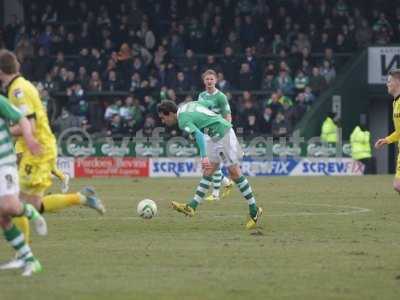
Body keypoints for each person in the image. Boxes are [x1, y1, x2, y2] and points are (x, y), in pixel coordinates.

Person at [0, 49, 105, 269]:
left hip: (37, 149)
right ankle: (82, 198)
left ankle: (23, 255)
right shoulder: (20, 86)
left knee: (16, 202)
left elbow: (30, 125)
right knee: (33, 205)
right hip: (41, 147)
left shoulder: (18, 90)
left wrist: (5, 130)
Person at [157, 100, 263, 230]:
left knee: (234, 173)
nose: (163, 121)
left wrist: (204, 156)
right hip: (214, 135)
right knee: (208, 171)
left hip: (223, 134)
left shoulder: (182, 120)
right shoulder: (187, 105)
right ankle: (192, 206)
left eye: (163, 118)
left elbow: (200, 136)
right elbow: (205, 105)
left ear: (170, 114)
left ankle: (254, 210)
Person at [0, 94, 47, 276]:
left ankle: (30, 212)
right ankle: (31, 260)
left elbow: (22, 118)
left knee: (9, 206)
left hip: (4, 164)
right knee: (3, 218)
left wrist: (29, 139)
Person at [196, 69, 233, 201]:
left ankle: (216, 193)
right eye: (207, 79)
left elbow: (228, 115)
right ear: (204, 81)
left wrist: (226, 131)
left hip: (218, 133)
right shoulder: (201, 96)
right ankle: (226, 183)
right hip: (207, 133)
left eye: (212, 79)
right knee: (209, 165)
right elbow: (200, 114)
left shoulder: (221, 96)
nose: (209, 81)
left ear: (216, 80)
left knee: (213, 164)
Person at [375, 69, 400, 190]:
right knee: (397, 185)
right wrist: (386, 140)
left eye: (389, 81)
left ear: (397, 82)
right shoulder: (395, 103)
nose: (387, 84)